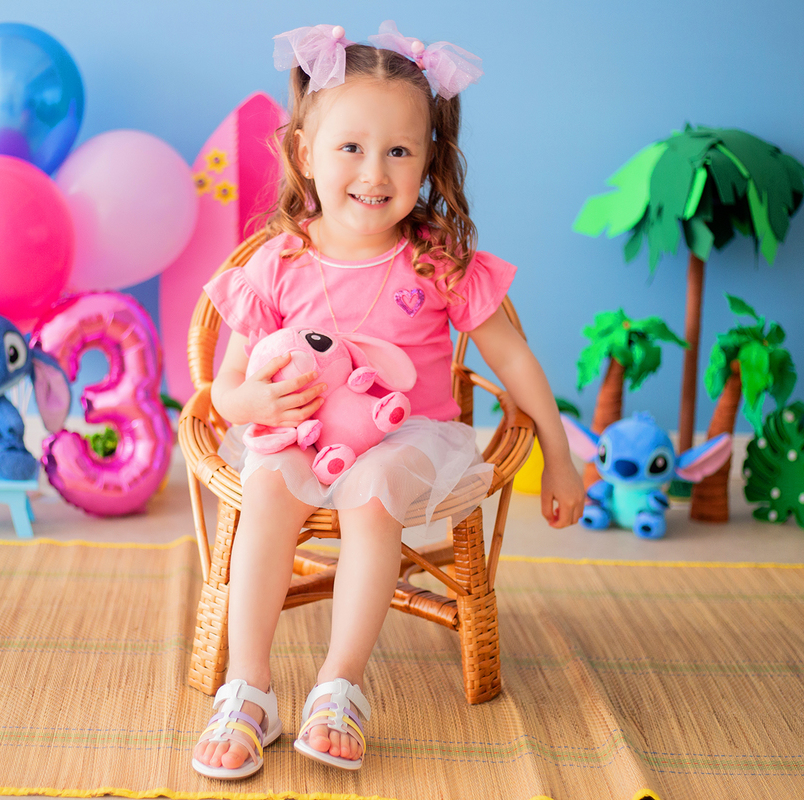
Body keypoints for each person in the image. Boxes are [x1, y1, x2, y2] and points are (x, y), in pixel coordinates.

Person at [191, 21, 585, 780]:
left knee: (372, 494)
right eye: (350, 148)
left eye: (400, 151)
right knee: (268, 487)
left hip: (411, 441)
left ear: (429, 159)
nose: (375, 171)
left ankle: (339, 685)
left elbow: (516, 361)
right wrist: (259, 405)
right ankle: (251, 688)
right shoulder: (279, 262)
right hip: (303, 437)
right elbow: (225, 392)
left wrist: (560, 458)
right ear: (305, 153)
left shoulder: (437, 261)